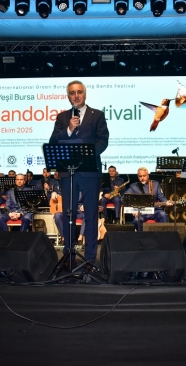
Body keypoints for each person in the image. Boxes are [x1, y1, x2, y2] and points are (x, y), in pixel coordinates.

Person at [49, 80, 109, 264]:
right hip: (68, 173)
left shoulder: (97, 115)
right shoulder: (62, 117)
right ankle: (69, 256)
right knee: (69, 215)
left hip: (90, 172)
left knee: (90, 215)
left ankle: (90, 259)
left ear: (85, 94)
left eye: (79, 92)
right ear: (68, 96)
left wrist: (87, 155)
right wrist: (69, 129)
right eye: (72, 93)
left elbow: (103, 140)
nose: (76, 96)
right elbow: (53, 141)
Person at [124, 167, 172, 231]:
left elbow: (162, 197)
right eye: (140, 176)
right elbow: (123, 198)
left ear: (148, 176)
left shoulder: (155, 184)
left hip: (155, 211)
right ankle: (143, 236)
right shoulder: (133, 187)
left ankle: (162, 236)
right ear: (138, 177)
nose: (142, 178)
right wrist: (134, 210)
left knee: (163, 215)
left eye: (144, 176)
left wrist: (166, 202)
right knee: (136, 220)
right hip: (141, 212)